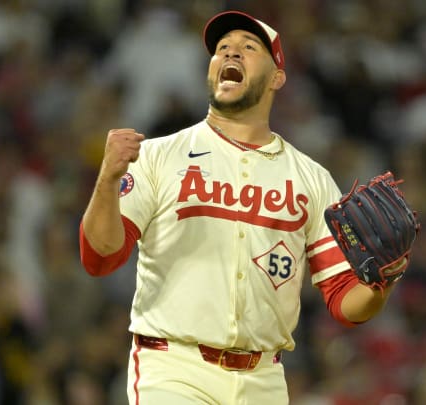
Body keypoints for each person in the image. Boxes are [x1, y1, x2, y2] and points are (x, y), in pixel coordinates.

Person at [79, 10, 406, 404]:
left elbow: (343, 301)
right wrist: (107, 180)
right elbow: (100, 257)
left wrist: (380, 284)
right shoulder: (158, 156)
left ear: (277, 77)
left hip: (263, 379)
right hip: (174, 370)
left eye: (248, 48)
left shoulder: (311, 178)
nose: (231, 53)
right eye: (222, 49)